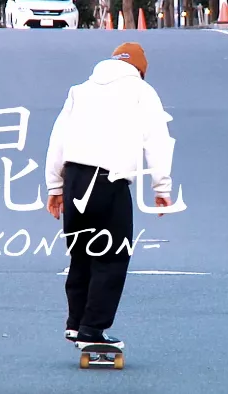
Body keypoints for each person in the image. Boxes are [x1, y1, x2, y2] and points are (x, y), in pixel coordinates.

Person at [44, 42, 174, 348]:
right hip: (109, 182)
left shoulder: (80, 90)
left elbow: (57, 137)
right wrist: (161, 187)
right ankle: (92, 328)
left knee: (81, 253)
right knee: (112, 256)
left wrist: (55, 187)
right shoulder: (142, 92)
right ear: (140, 70)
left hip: (75, 178)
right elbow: (157, 140)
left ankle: (75, 323)